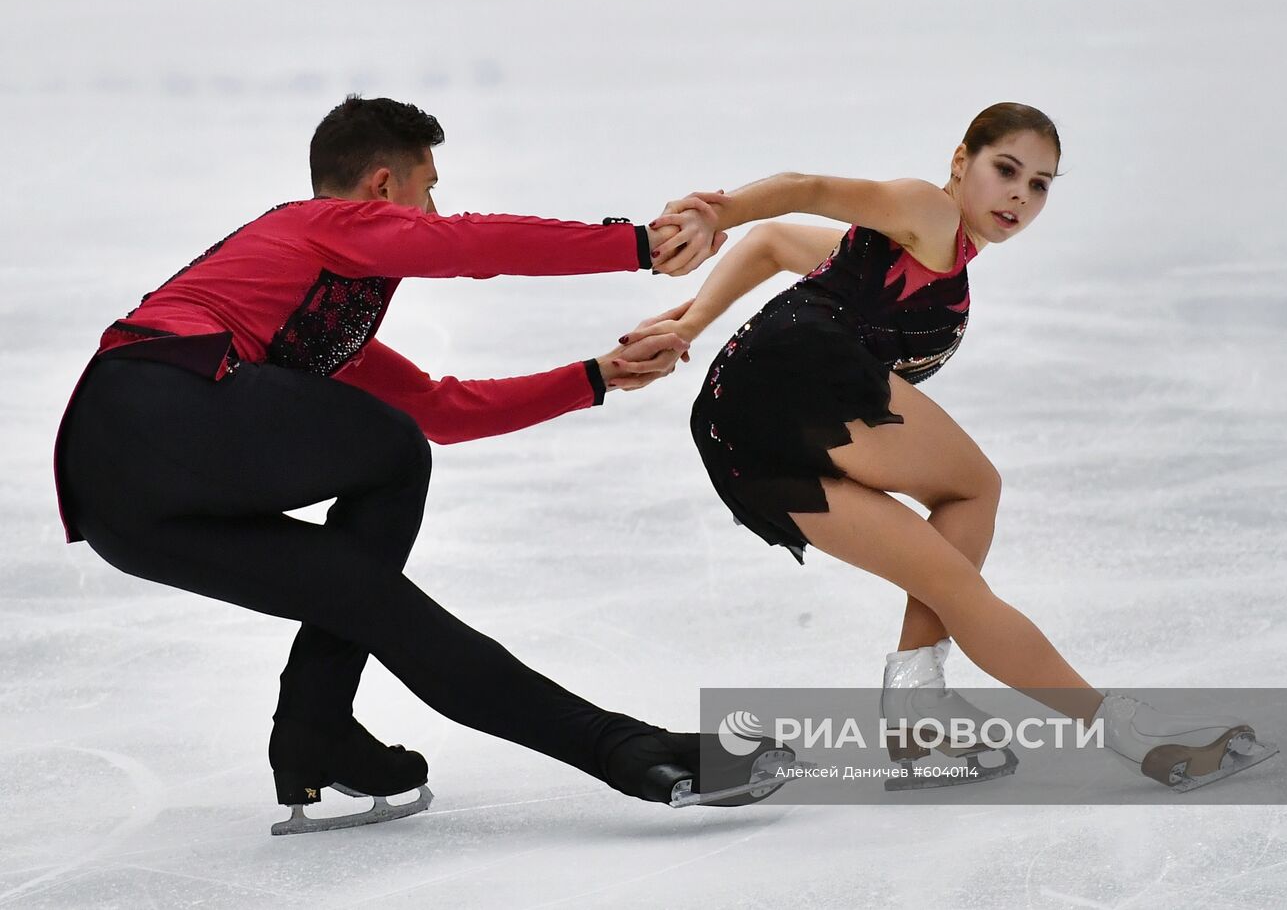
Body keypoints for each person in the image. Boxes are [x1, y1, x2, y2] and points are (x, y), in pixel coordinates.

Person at [53, 95, 793, 834]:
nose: (436, 208)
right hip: (157, 397)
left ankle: (613, 750)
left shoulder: (303, 326)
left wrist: (597, 376)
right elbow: (473, 247)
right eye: (429, 187)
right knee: (391, 453)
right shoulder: (318, 225)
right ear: (382, 187)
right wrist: (640, 244)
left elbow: (437, 411)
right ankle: (319, 720)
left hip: (122, 508)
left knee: (372, 595)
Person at [629, 102, 1277, 791]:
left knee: (950, 577)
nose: (1020, 196)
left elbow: (775, 244)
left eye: (1040, 184)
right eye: (1006, 170)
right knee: (974, 489)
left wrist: (690, 326)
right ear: (961, 162)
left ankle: (917, 704)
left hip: (741, 442)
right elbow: (804, 188)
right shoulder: (927, 214)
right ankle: (1126, 733)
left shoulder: (918, 257)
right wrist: (715, 215)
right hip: (795, 379)